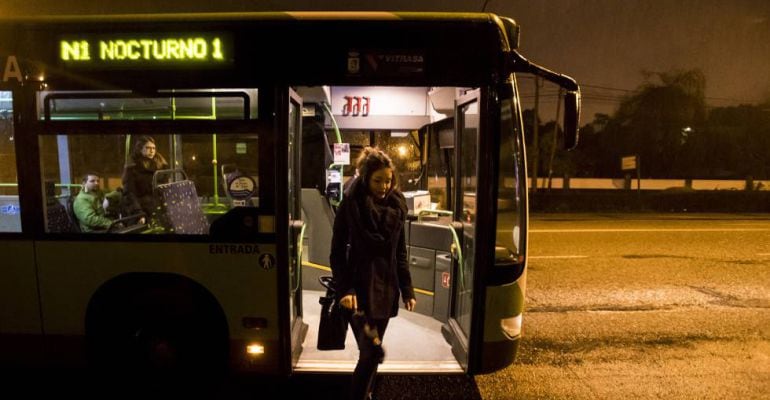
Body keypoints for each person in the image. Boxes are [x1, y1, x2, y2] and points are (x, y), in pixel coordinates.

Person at [329, 147, 417, 400]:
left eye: (388, 180)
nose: (383, 186)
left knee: (370, 357)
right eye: (378, 180)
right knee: (371, 352)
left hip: (386, 289)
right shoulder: (350, 206)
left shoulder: (398, 206)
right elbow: (336, 253)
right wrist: (344, 289)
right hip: (357, 291)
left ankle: (366, 392)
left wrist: (407, 289)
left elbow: (400, 252)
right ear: (366, 178)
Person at [122, 136, 169, 219]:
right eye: (148, 148)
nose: (152, 151)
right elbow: (129, 193)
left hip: (158, 206)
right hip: (141, 208)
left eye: (154, 148)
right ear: (140, 149)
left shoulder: (160, 165)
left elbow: (165, 188)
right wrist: (139, 213)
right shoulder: (132, 167)